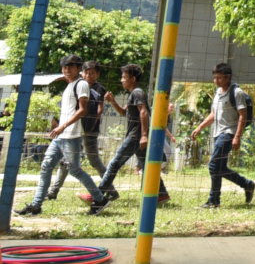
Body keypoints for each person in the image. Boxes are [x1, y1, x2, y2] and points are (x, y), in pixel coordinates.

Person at [15, 54, 110, 216]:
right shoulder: (70, 85)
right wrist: (58, 127)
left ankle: (100, 199)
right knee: (46, 167)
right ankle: (36, 205)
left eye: (71, 67)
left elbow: (83, 110)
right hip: (61, 136)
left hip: (71, 136)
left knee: (75, 170)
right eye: (65, 67)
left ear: (79, 69)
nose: (67, 69)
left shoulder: (81, 85)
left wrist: (63, 126)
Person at [88, 63, 170, 206]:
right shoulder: (134, 93)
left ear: (132, 78)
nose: (121, 80)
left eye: (124, 77)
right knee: (146, 166)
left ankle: (99, 194)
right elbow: (124, 112)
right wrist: (113, 102)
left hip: (135, 136)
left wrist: (144, 135)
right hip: (137, 136)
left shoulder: (138, 92)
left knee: (114, 163)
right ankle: (162, 194)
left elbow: (143, 112)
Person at [190, 63, 255, 208]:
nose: (216, 81)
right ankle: (247, 184)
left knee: (214, 165)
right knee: (219, 167)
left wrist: (237, 136)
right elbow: (213, 114)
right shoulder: (218, 92)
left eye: (219, 78)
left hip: (229, 133)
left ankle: (214, 200)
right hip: (217, 132)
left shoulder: (237, 92)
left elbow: (242, 116)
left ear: (228, 77)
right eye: (215, 78)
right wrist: (200, 127)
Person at [46, 60, 110, 201]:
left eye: (92, 73)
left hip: (88, 130)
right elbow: (68, 108)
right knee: (65, 162)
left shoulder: (97, 88)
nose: (89, 75)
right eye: (86, 72)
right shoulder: (76, 85)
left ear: (97, 74)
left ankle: (108, 189)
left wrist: (92, 121)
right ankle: (53, 191)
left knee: (93, 161)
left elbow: (97, 108)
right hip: (72, 129)